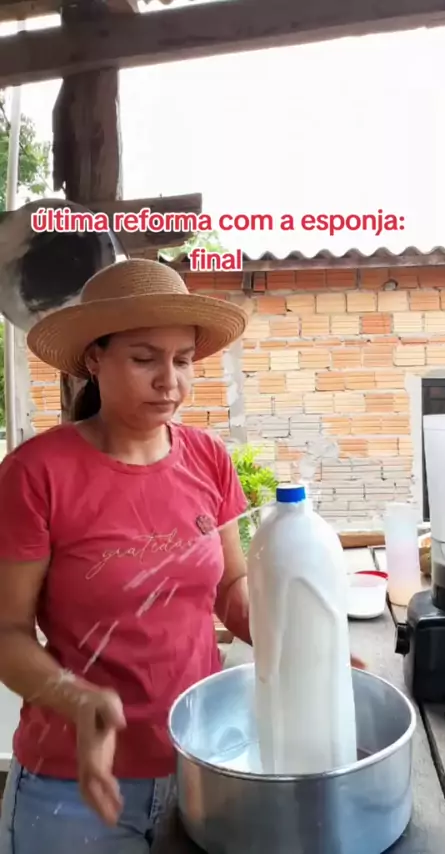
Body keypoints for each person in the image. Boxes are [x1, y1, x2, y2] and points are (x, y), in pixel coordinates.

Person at [0, 258, 364, 853]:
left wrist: (305, 648)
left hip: (204, 758)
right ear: (94, 358)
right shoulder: (37, 474)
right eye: (144, 359)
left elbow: (231, 589)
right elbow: (7, 632)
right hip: (73, 784)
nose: (169, 382)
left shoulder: (208, 459)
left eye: (183, 360)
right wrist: (76, 698)